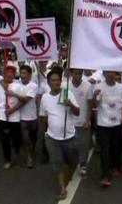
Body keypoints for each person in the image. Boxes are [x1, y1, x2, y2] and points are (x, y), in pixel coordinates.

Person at [39, 70, 80, 200]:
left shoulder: (67, 93)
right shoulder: (45, 97)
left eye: (58, 80)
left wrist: (71, 105)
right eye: (53, 80)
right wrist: (47, 130)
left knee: (72, 161)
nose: (56, 82)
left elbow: (77, 112)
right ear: (49, 82)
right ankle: (63, 188)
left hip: (69, 137)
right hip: (52, 138)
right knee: (57, 163)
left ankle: (70, 174)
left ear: (61, 81)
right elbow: (42, 116)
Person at [93, 71, 122, 186]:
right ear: (104, 74)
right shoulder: (99, 87)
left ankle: (116, 165)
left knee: (116, 148)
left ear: (116, 74)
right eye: (108, 72)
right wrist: (95, 97)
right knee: (105, 150)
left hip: (117, 124)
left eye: (112, 72)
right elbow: (95, 105)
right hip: (103, 125)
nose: (110, 75)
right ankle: (105, 176)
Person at [0, 66, 25, 169]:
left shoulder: (18, 86)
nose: (10, 74)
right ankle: (7, 160)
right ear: (4, 74)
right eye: (7, 72)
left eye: (12, 73)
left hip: (15, 117)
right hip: (2, 117)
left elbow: (23, 101)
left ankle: (18, 150)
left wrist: (12, 110)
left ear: (14, 75)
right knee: (4, 139)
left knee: (17, 139)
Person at [65, 69, 93, 178]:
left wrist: (87, 120)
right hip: (69, 122)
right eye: (75, 73)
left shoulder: (87, 86)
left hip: (82, 122)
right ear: (71, 74)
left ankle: (83, 165)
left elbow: (90, 104)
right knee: (71, 146)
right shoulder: (65, 85)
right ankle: (71, 165)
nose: (77, 75)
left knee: (83, 146)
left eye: (79, 73)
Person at [18, 65, 39, 168]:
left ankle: (32, 149)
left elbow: (25, 100)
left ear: (30, 75)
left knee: (33, 138)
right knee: (26, 139)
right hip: (22, 118)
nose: (22, 75)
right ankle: (29, 157)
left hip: (33, 116)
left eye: (25, 73)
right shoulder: (17, 84)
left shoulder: (33, 86)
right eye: (21, 73)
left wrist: (13, 93)